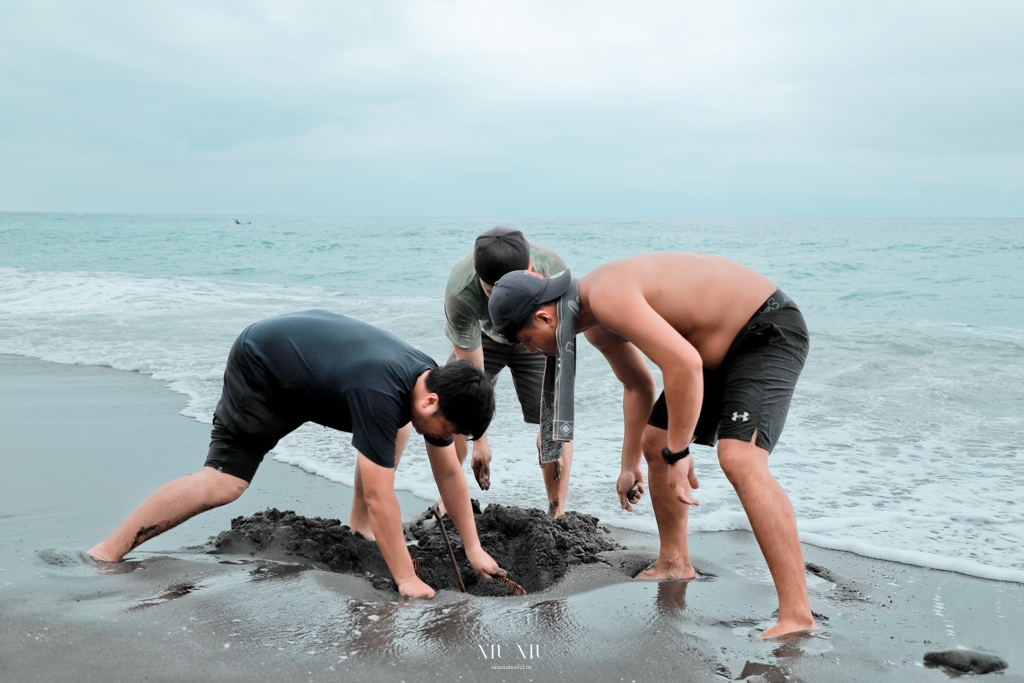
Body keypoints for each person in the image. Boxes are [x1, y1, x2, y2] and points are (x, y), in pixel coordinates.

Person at [488, 254, 815, 638]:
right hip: (716, 353)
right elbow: (638, 386)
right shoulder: (594, 322)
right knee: (655, 439)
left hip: (765, 329)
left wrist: (678, 454)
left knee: (739, 458)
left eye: (526, 340)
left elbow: (685, 365)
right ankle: (675, 562)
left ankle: (796, 614)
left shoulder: (606, 295)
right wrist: (630, 463)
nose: (528, 351)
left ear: (544, 318)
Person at [88, 310, 506, 599]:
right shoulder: (383, 393)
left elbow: (449, 474)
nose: (447, 439)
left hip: (310, 368)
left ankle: (358, 532)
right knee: (223, 483)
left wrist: (472, 547)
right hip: (263, 368)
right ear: (432, 402)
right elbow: (382, 496)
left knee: (394, 432)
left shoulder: (428, 384)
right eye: (450, 431)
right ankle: (106, 551)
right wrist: (406, 578)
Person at [443, 226, 573, 517]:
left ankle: (557, 512)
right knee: (456, 407)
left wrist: (549, 423)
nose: (504, 297)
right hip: (486, 338)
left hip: (539, 334)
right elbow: (470, 375)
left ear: (530, 267)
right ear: (480, 279)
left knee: (554, 428)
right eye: (493, 291)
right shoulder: (461, 291)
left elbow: (562, 347)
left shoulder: (553, 271)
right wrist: (480, 438)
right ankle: (449, 502)